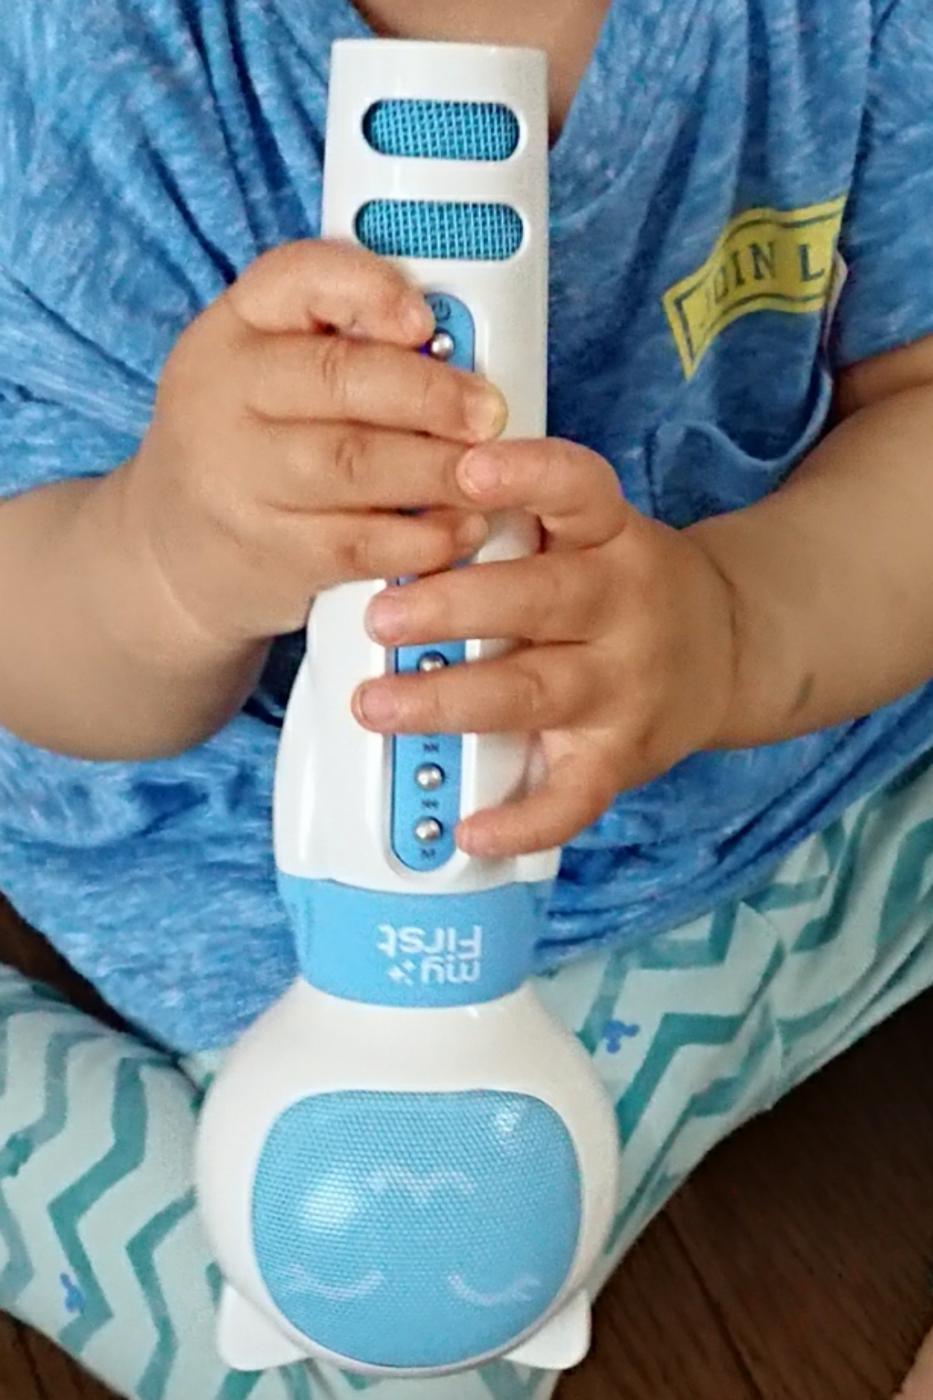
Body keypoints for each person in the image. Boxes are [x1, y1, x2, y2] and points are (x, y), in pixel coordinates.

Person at [1, 0, 933, 1395]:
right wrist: (166, 556)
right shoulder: (86, 60)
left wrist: (740, 626)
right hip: (315, 953)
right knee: (366, 1339)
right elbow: (35, 631)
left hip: (827, 746)